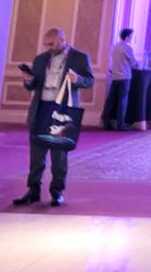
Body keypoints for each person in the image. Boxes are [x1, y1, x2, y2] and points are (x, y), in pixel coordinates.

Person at [13, 27, 94, 208]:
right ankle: (33, 190)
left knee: (59, 155)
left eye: (51, 44)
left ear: (62, 40)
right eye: (46, 44)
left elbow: (90, 81)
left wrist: (77, 79)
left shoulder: (79, 57)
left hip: (62, 111)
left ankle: (57, 192)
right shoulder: (41, 59)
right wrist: (28, 80)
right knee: (36, 155)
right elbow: (34, 86)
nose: (48, 47)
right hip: (41, 109)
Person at [102, 28, 135, 131]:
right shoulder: (127, 48)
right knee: (122, 100)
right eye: (131, 37)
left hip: (114, 76)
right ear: (126, 37)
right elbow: (133, 63)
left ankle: (105, 122)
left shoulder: (115, 47)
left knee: (110, 100)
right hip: (124, 76)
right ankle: (120, 124)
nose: (131, 38)